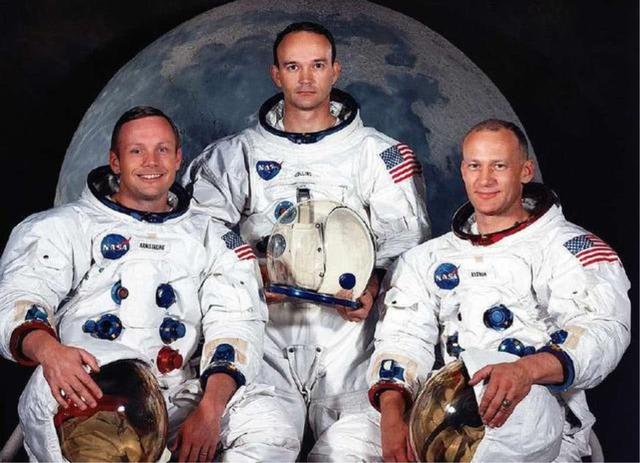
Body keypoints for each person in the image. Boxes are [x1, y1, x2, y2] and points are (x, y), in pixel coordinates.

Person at [184, 22, 430, 460]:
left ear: (335, 71)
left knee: (351, 451)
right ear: (276, 74)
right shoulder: (233, 155)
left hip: (349, 338)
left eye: (317, 65)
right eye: (293, 66)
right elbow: (201, 234)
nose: (305, 79)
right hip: (265, 334)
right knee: (263, 445)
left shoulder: (379, 154)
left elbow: (409, 247)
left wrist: (374, 285)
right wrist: (252, 271)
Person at [0, 106, 299, 462]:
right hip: (89, 391)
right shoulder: (62, 227)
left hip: (178, 394)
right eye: (137, 151)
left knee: (272, 431)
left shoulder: (215, 239)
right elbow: (21, 295)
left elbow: (236, 324)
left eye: (162, 150)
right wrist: (50, 353)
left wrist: (210, 410)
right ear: (115, 161)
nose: (151, 162)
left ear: (177, 159)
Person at [368, 119, 631, 462]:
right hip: (445, 419)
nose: (485, 179)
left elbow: (603, 328)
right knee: (346, 446)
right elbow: (402, 338)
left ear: (525, 171)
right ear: (463, 171)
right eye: (475, 166)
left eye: (499, 166)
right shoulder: (425, 259)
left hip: (541, 422)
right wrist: (392, 415)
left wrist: (527, 370)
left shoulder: (571, 249)